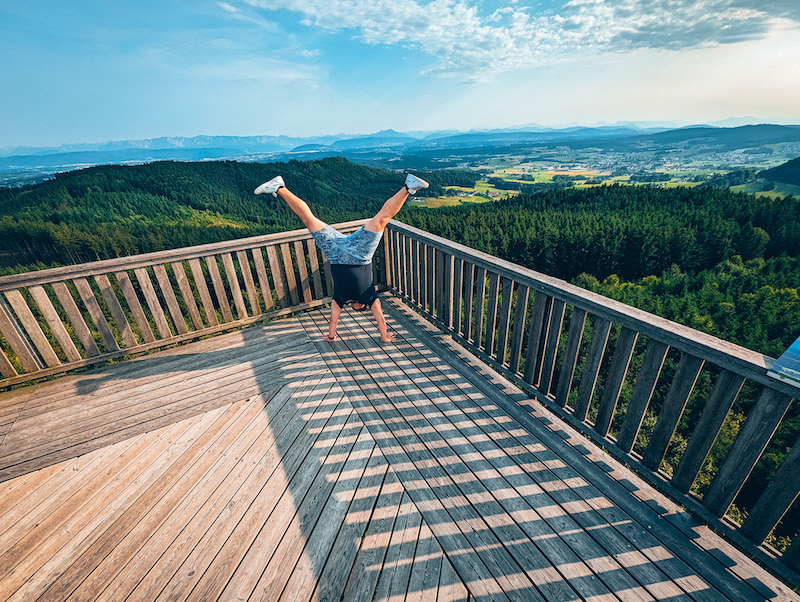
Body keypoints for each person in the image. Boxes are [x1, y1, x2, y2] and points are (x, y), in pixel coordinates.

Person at [254, 172, 429, 343]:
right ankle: (408, 187)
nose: (356, 308)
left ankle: (280, 187)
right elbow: (340, 319)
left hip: (342, 251)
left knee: (379, 218)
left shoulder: (359, 296)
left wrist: (333, 336)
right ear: (361, 306)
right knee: (377, 218)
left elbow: (372, 319)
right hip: (351, 253)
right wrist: (379, 336)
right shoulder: (363, 296)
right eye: (359, 310)